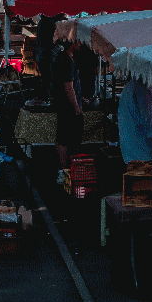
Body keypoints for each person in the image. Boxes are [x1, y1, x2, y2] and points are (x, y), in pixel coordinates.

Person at [52, 19, 84, 184]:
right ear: (72, 43)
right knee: (64, 139)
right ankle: (63, 171)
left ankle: (64, 170)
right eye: (78, 41)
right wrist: (77, 108)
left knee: (63, 138)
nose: (80, 43)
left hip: (64, 105)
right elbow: (68, 87)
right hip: (67, 107)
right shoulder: (66, 60)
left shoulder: (64, 58)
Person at [117, 79, 152, 163]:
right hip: (146, 152)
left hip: (132, 149)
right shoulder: (144, 88)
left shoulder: (131, 86)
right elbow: (151, 120)